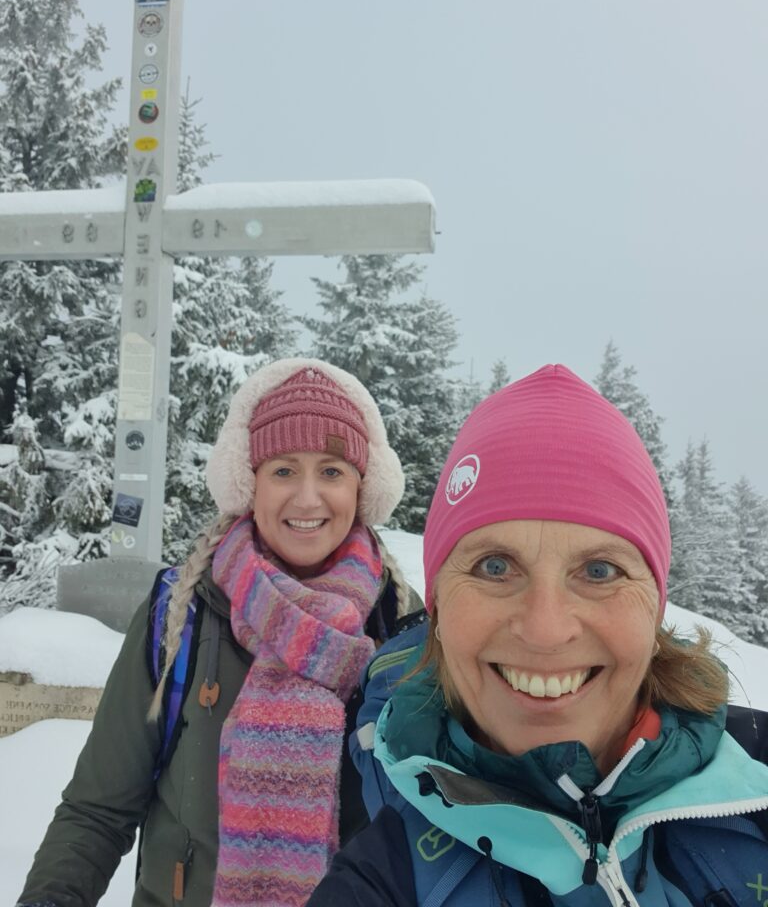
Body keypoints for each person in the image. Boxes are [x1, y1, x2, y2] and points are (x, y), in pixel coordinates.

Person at [308, 364, 768, 906]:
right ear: (437, 608)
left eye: (599, 571)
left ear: (656, 603)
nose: (546, 631)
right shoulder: (383, 879)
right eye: (496, 567)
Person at [18, 358, 422, 907]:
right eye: (282, 469)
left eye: (331, 471)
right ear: (247, 481)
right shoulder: (182, 612)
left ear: (362, 486)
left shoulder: (400, 624)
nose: (307, 498)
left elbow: (431, 831)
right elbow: (99, 808)